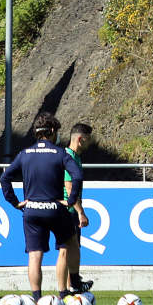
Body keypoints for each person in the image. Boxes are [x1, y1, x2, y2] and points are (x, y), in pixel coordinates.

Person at [0, 112, 84, 300]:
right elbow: (76, 176)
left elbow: (5, 177)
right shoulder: (60, 153)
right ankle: (65, 291)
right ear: (52, 131)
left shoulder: (25, 154)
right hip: (55, 208)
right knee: (68, 245)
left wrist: (14, 202)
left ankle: (37, 298)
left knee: (35, 255)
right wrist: (70, 201)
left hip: (32, 210)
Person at [63, 122, 94, 292]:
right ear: (81, 139)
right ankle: (69, 286)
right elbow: (69, 188)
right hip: (68, 211)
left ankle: (73, 283)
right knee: (69, 249)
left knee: (74, 248)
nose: (90, 143)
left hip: (71, 210)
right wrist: (80, 212)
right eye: (89, 139)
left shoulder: (76, 157)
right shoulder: (68, 157)